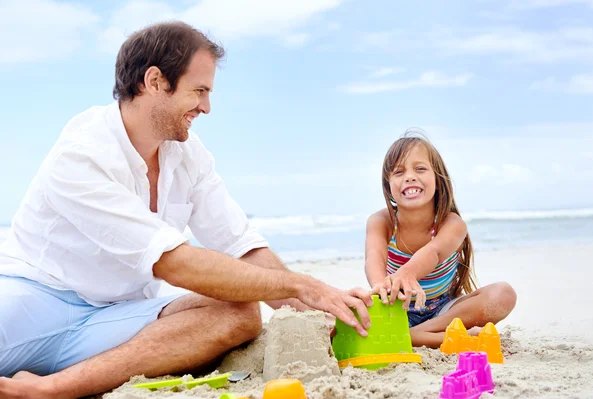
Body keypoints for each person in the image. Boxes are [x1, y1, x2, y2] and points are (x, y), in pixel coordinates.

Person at [0, 21, 372, 399]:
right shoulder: (82, 152)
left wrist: (320, 307)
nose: (206, 107)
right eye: (199, 91)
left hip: (116, 317)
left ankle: (51, 388)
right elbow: (173, 264)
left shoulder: (189, 155)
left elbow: (241, 246)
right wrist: (303, 284)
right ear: (155, 81)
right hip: (33, 303)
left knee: (240, 314)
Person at [365, 131, 517, 348]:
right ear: (388, 186)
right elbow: (374, 256)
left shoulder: (452, 224)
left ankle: (417, 334)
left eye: (420, 168)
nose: (409, 176)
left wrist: (407, 273)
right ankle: (427, 336)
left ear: (438, 178)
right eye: (399, 172)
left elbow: (434, 252)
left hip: (443, 313)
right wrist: (380, 285)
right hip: (395, 310)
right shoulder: (382, 221)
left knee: (503, 294)